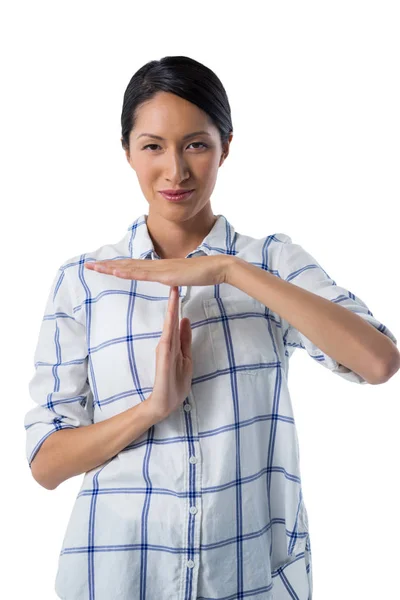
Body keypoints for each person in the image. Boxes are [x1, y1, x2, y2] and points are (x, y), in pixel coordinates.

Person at [24, 55, 398, 600]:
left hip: (251, 577)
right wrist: (151, 409)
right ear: (126, 151)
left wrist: (227, 269)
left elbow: (379, 361)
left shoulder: (270, 262)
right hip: (118, 576)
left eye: (195, 144)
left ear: (226, 146)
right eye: (153, 146)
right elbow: (46, 463)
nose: (175, 171)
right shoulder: (85, 281)